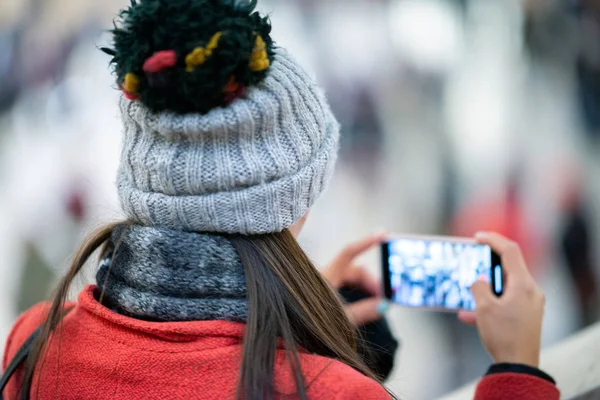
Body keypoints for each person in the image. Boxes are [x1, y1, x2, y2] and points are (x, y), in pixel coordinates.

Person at [1, 1, 559, 399]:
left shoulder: (33, 344)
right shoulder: (331, 393)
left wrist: (314, 328)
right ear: (294, 200)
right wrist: (516, 369)